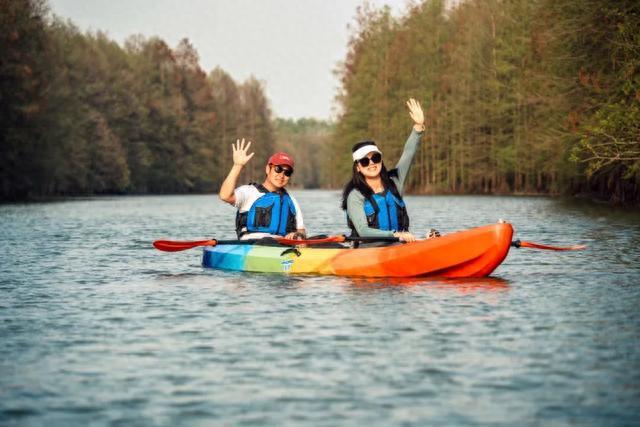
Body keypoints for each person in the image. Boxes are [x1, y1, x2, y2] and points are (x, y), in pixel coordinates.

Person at [341, 98, 432, 244]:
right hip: (369, 252)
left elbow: (408, 154)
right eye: (365, 161)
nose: (371, 164)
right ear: (358, 167)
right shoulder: (355, 195)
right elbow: (363, 230)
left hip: (399, 247)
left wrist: (418, 127)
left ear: (381, 161)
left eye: (375, 158)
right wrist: (396, 235)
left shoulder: (395, 182)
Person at [219, 138, 306, 240]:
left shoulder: (292, 201)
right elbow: (224, 196)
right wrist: (237, 165)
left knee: (323, 238)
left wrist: (297, 236)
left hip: (282, 247)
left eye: (287, 173)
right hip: (252, 246)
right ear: (268, 169)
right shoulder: (249, 192)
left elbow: (302, 233)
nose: (282, 175)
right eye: (278, 169)